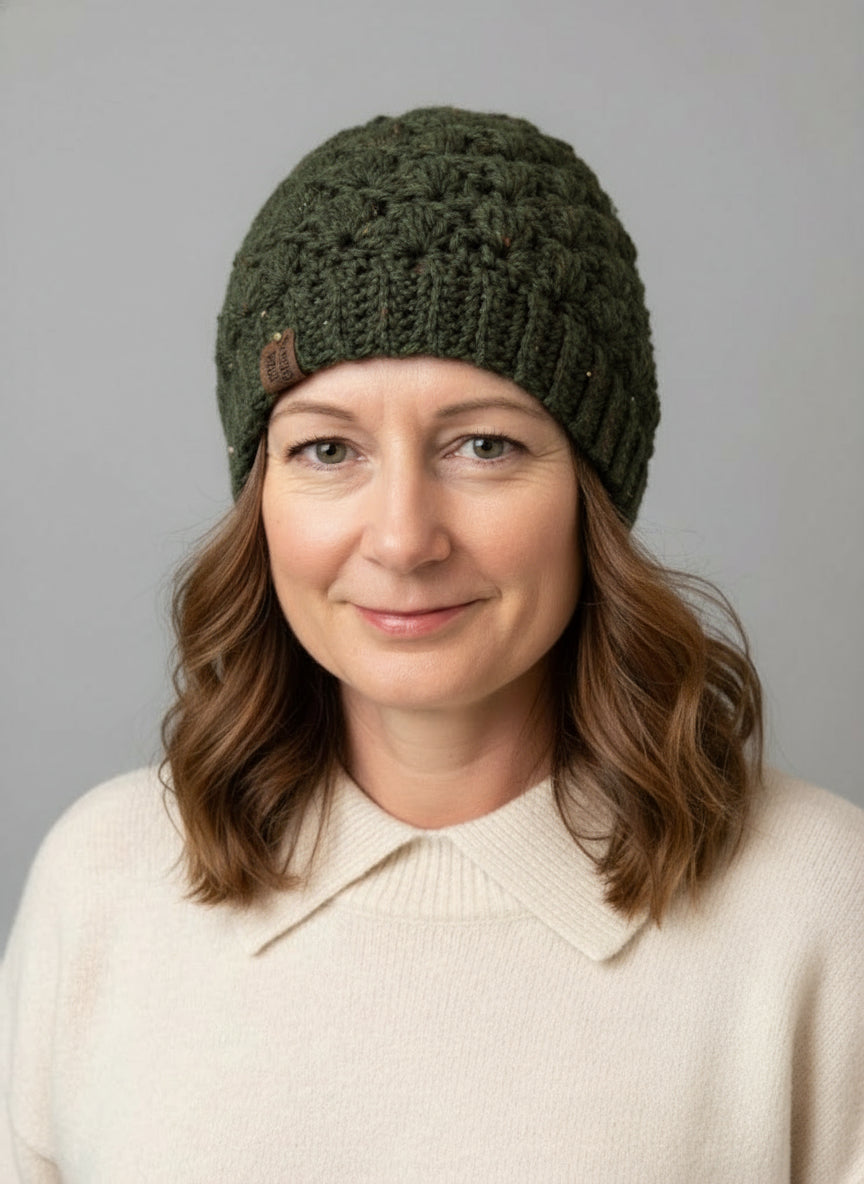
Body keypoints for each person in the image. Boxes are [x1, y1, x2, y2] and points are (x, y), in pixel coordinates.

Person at [2, 106, 862, 1183]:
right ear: (260, 494)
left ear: (594, 490)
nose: (404, 539)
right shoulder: (105, 879)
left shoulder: (819, 905)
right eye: (327, 449)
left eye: (485, 444)